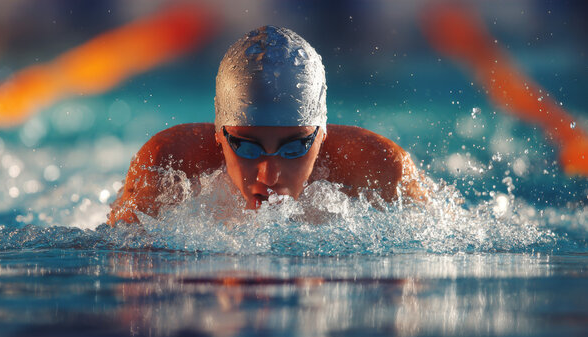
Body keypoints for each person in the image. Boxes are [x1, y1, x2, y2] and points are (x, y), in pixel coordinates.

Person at [108, 25, 426, 225]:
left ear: (322, 135)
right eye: (246, 146)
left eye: (295, 146)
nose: (268, 176)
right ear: (218, 135)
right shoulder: (168, 166)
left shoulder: (380, 170)